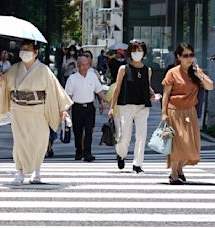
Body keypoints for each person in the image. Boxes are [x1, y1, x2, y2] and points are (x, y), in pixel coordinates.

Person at [0, 39, 73, 185]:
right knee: (20, 141)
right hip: (19, 109)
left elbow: (56, 91)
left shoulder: (44, 70)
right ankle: (19, 172)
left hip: (38, 109)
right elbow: (6, 83)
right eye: (23, 49)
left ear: (36, 52)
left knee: (39, 141)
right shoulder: (15, 68)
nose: (24, 52)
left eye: (28, 49)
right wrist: (1, 80)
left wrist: (63, 110)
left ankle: (36, 171)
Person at [162, 42, 213, 184]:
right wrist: (163, 113)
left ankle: (179, 168)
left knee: (192, 146)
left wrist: (199, 75)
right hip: (174, 111)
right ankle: (173, 174)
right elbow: (166, 95)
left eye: (191, 55)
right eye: (186, 55)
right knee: (177, 144)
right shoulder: (172, 72)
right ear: (178, 57)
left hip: (190, 112)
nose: (189, 58)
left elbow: (210, 86)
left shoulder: (196, 71)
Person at [108, 40, 158, 174]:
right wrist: (112, 107)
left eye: (140, 50)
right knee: (125, 136)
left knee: (141, 136)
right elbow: (117, 89)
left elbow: (146, 86)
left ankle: (137, 164)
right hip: (126, 105)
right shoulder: (123, 69)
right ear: (130, 52)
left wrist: (153, 94)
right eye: (135, 51)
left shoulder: (147, 70)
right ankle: (121, 154)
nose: (137, 53)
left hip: (142, 106)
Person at [65, 56, 108, 161]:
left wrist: (105, 101)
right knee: (78, 131)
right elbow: (68, 95)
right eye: (82, 65)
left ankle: (87, 152)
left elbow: (99, 90)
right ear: (78, 66)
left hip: (89, 107)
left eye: (87, 64)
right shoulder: (72, 78)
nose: (85, 67)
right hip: (77, 107)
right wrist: (66, 110)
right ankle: (79, 150)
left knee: (89, 131)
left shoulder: (92, 76)